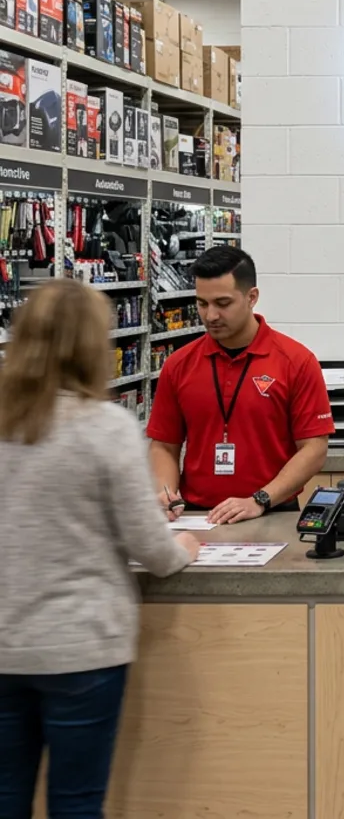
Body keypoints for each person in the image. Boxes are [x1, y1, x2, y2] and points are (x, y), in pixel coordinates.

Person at [0, 279, 199, 818]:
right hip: (81, 648)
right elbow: (150, 548)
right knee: (77, 802)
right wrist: (181, 545)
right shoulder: (104, 426)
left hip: (5, 645)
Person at [147, 246, 334, 524]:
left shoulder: (296, 361)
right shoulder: (178, 364)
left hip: (271, 512)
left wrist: (260, 499)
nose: (210, 316)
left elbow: (314, 448)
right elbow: (164, 445)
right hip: (196, 515)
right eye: (202, 303)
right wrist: (166, 492)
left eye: (223, 304)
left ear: (252, 297)